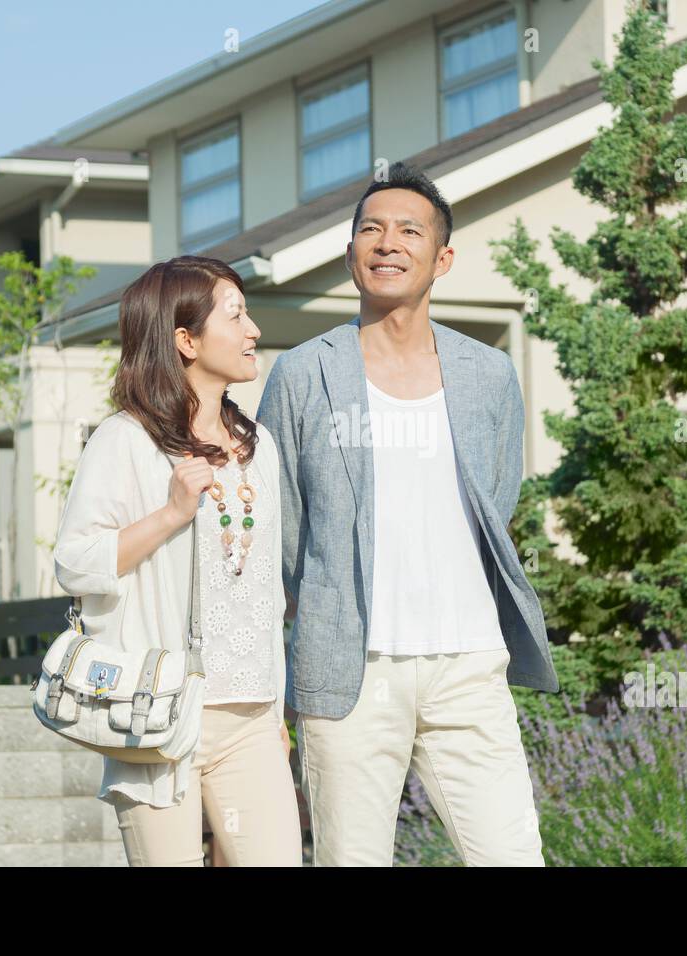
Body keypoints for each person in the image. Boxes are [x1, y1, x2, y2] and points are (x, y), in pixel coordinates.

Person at [256, 163, 560, 866]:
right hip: (350, 671)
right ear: (350, 253)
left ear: (442, 257)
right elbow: (283, 525)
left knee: (512, 856)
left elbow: (496, 496)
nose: (386, 242)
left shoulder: (487, 373)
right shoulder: (304, 373)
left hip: (469, 666)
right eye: (371, 229)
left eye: (408, 230)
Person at [54, 257, 302, 867]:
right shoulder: (125, 439)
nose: (253, 332)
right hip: (162, 714)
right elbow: (75, 563)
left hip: (250, 715)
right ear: (185, 340)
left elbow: (265, 589)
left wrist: (275, 706)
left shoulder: (258, 445)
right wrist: (169, 513)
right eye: (236, 315)